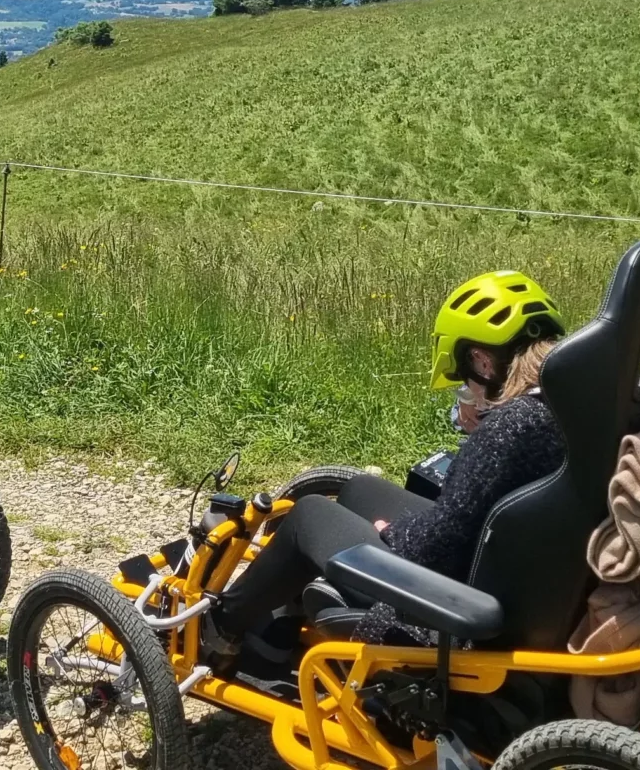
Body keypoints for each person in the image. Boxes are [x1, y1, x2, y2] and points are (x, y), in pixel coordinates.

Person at [206, 271, 569, 663]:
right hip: (505, 574)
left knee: (309, 515)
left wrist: (393, 534)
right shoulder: (565, 409)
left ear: (482, 361)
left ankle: (220, 628)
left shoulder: (510, 428)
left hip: (455, 603)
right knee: (360, 489)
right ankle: (277, 620)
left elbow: (436, 545)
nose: (468, 393)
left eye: (465, 380)